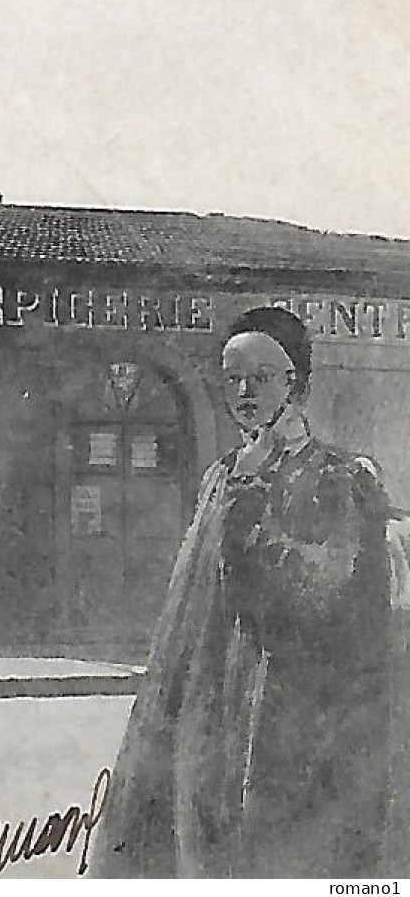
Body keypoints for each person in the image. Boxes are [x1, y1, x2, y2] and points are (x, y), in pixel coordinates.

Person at [92, 306, 410, 878]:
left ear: (298, 383)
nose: (243, 391)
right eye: (232, 376)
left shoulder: (338, 477)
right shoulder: (223, 475)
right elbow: (191, 605)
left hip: (295, 717)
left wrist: (249, 511)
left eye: (261, 377)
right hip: (212, 706)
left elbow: (318, 592)